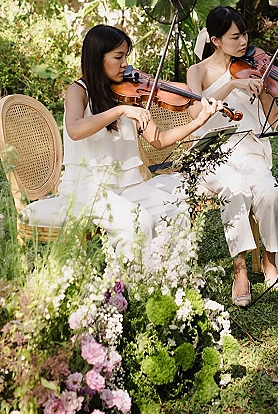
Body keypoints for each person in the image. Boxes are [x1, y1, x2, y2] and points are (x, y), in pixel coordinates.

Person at [56, 24, 221, 260]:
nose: (125, 63)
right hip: (88, 187)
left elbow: (159, 140)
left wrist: (198, 122)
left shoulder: (127, 91)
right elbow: (75, 129)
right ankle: (133, 286)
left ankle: (173, 279)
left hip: (128, 184)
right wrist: (120, 111)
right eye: (118, 57)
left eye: (126, 56)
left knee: (178, 211)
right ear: (97, 58)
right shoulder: (78, 91)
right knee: (140, 222)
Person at [187, 7, 278, 307]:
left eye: (245, 34)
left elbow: (271, 121)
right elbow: (196, 112)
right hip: (213, 152)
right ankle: (241, 268)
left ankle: (270, 260)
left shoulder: (253, 68)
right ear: (216, 40)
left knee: (270, 194)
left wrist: (270, 91)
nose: (243, 41)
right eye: (235, 36)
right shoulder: (198, 71)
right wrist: (231, 84)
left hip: (249, 148)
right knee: (236, 191)